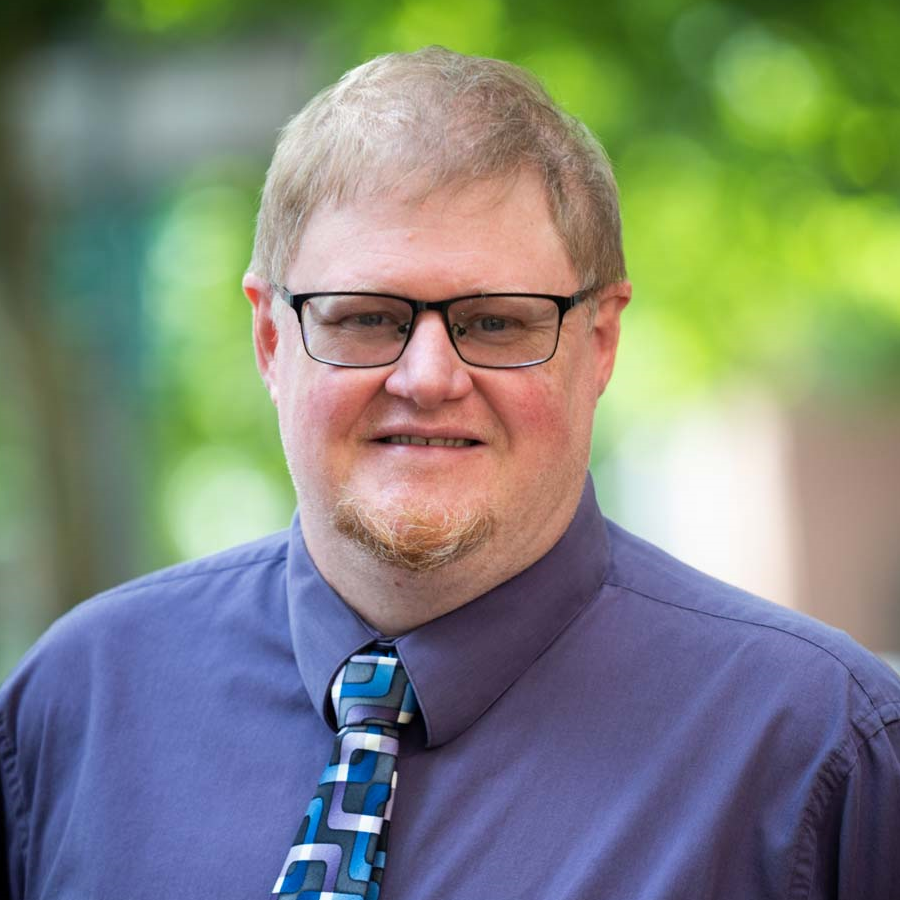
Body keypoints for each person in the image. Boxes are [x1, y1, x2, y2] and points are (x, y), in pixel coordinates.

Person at [2, 47, 899, 900]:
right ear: (271, 339)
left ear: (600, 342)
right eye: (364, 318)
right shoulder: (76, 706)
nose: (427, 379)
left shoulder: (824, 750)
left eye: (498, 323)